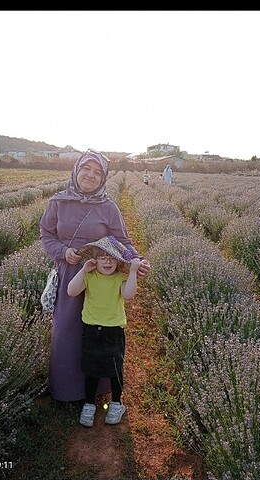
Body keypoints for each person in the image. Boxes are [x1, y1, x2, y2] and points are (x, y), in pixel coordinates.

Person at [39, 149, 151, 402]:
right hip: (71, 274)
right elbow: (47, 233)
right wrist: (61, 252)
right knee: (67, 330)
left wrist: (136, 260)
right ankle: (66, 387)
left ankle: (98, 387)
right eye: (86, 169)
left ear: (103, 178)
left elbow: (122, 240)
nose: (90, 175)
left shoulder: (108, 207)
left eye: (97, 172)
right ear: (76, 171)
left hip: (102, 277)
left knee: (98, 330)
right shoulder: (58, 202)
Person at [67, 235, 141, 427]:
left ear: (118, 261)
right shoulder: (89, 277)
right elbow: (71, 291)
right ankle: (89, 404)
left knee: (115, 370)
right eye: (101, 257)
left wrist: (133, 272)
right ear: (94, 260)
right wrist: (83, 270)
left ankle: (116, 403)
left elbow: (129, 295)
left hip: (113, 332)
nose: (107, 262)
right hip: (91, 331)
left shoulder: (120, 278)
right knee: (90, 370)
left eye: (111, 257)